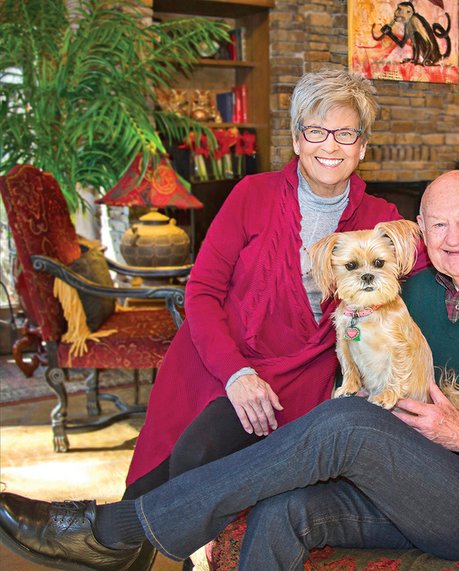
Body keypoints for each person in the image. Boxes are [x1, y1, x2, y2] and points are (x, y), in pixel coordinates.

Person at [0, 170, 459, 570]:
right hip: (413, 483)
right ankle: (129, 527)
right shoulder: (404, 290)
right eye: (437, 223)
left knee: (347, 421)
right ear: (418, 234)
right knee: (284, 508)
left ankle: (116, 528)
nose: (453, 237)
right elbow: (335, 343)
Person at [123, 68, 425, 501]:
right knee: (173, 464)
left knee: (202, 461)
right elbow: (202, 291)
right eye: (317, 131)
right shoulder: (252, 195)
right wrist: (236, 373)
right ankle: (114, 547)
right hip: (220, 359)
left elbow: (439, 250)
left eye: (346, 134)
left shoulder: (380, 218)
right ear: (298, 139)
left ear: (362, 146)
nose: (331, 145)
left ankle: (100, 540)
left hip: (302, 377)